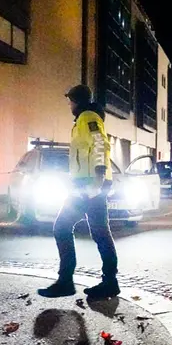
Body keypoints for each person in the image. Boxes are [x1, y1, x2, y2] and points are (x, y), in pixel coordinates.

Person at [38, 85, 119, 299]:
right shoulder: (83, 119)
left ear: (78, 101)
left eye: (70, 101)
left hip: (90, 183)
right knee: (98, 232)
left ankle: (67, 282)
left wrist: (98, 179)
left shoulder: (88, 117)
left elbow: (101, 144)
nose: (69, 105)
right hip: (85, 183)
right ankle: (108, 281)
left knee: (64, 227)